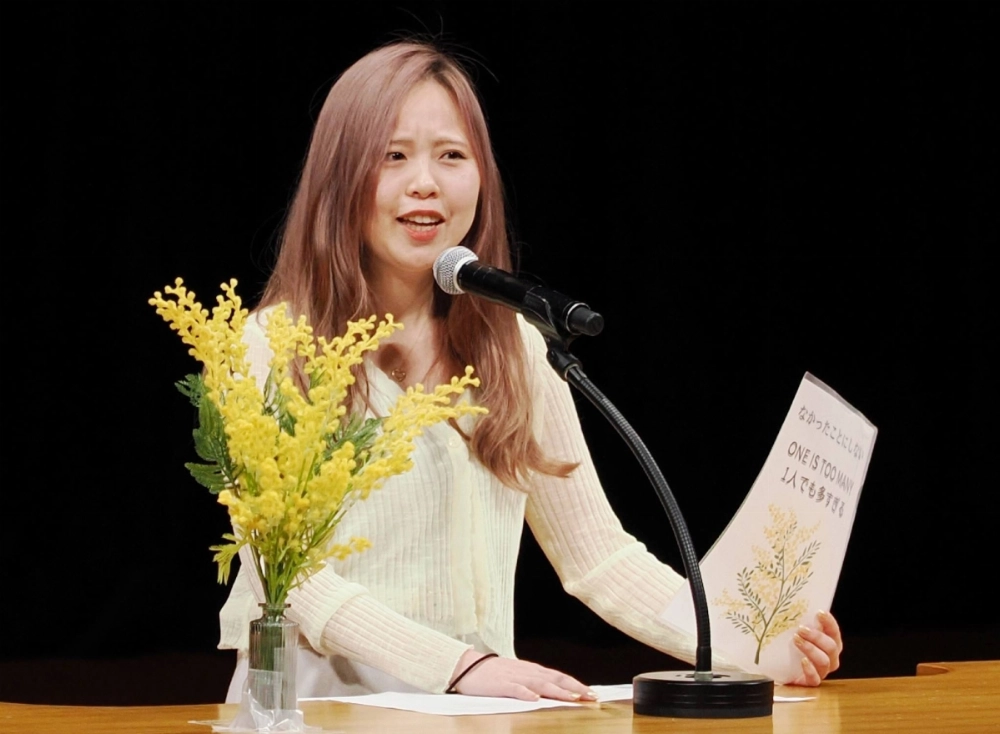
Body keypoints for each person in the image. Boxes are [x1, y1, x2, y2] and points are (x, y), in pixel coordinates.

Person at [219, 40, 844, 703]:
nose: (425, 181)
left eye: (452, 156)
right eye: (392, 155)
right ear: (338, 176)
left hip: (470, 710)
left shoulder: (511, 343)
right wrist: (459, 665)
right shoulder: (272, 344)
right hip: (312, 708)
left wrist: (752, 644)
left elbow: (599, 560)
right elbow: (294, 579)